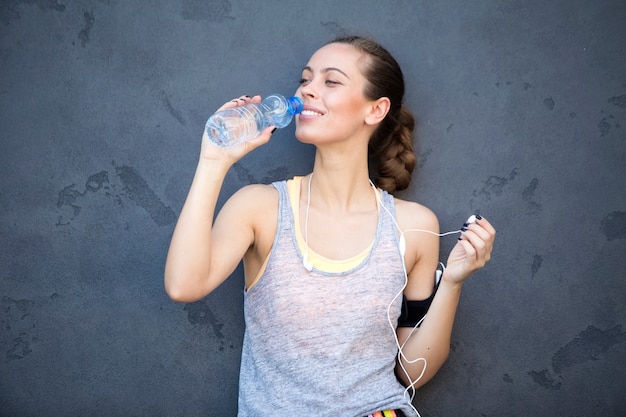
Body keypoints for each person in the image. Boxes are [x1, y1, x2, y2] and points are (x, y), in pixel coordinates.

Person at [164, 35, 496, 417]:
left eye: (330, 81)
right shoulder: (259, 208)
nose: (307, 90)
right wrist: (213, 160)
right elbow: (183, 285)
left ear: (376, 110)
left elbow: (411, 372)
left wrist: (452, 281)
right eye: (305, 79)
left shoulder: (414, 226)